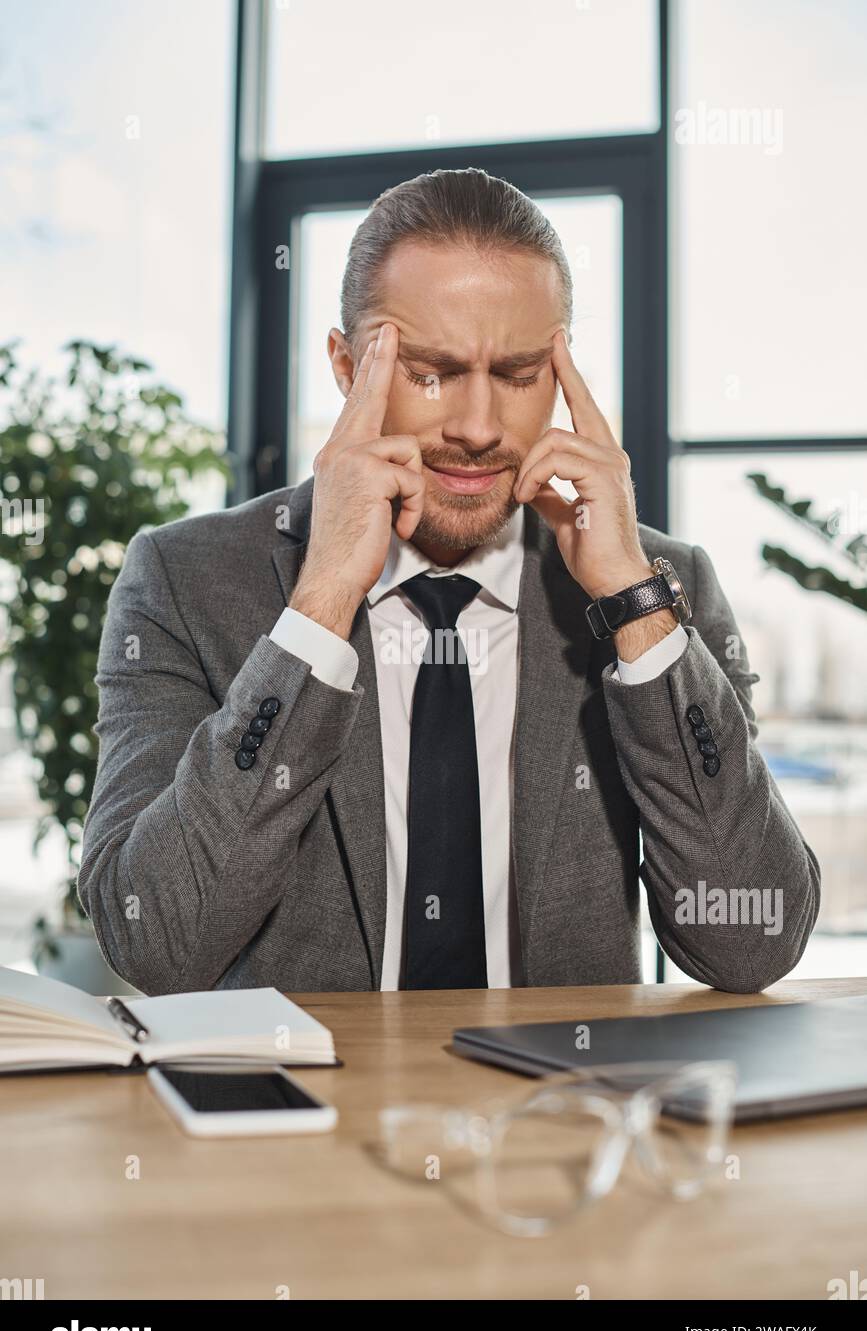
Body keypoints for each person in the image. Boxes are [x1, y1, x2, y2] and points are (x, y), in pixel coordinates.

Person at [78, 168, 819, 995]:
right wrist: (319, 603)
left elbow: (751, 943)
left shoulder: (660, 587)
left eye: (517, 374)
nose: (476, 428)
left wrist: (634, 608)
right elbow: (155, 944)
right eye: (430, 372)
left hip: (563, 1114)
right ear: (345, 364)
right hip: (298, 1115)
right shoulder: (183, 579)